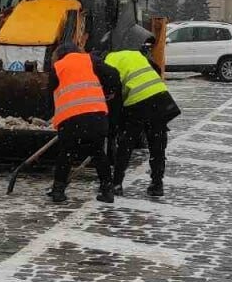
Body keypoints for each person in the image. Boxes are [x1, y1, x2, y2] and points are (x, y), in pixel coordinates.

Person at [47, 43, 118, 204]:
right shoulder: (91, 60)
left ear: (60, 55)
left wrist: (52, 116)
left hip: (71, 118)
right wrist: (108, 92)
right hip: (96, 115)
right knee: (98, 152)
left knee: (66, 153)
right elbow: (113, 74)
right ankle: (107, 190)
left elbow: (50, 95)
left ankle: (58, 191)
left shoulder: (58, 67)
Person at [104, 46, 180, 196]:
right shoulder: (134, 54)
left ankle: (116, 183)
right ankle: (157, 184)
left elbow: (114, 95)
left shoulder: (108, 62)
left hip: (137, 103)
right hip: (159, 97)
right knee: (157, 144)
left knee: (126, 143)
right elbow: (156, 68)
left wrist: (114, 123)